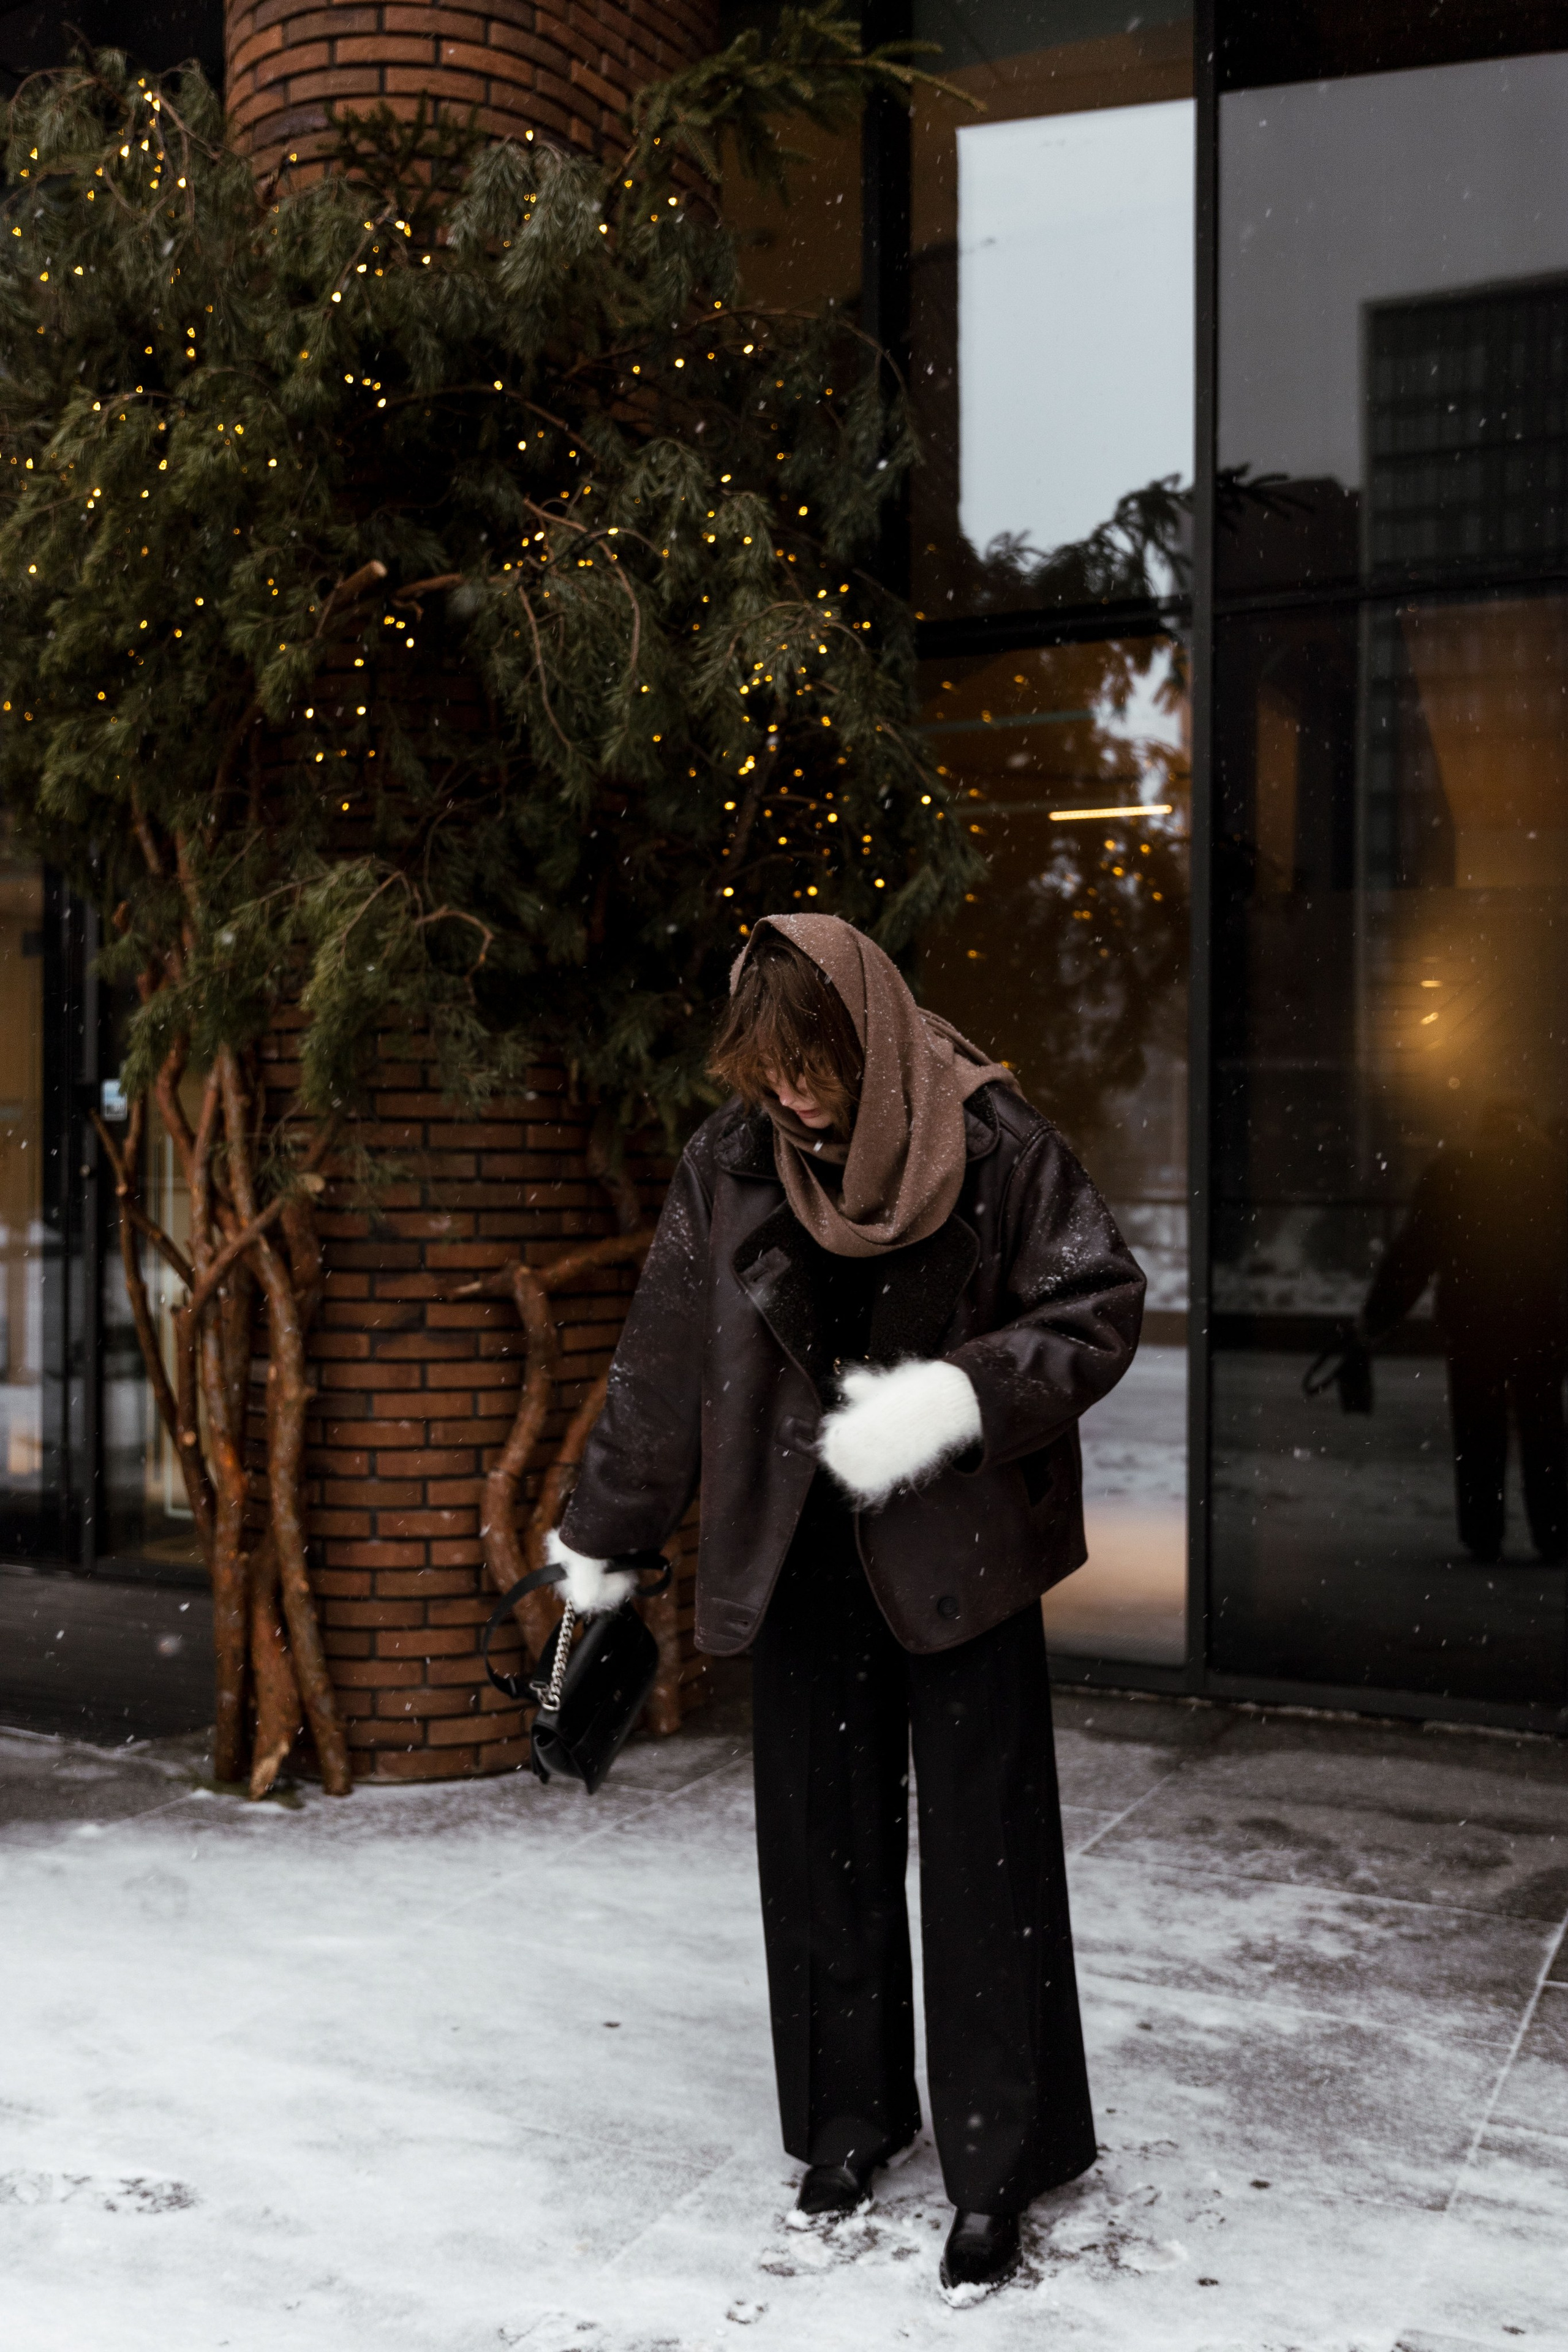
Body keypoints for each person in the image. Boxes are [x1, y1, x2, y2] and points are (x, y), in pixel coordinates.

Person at [547, 914, 1144, 2298]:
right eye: (767, 1073)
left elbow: (1098, 1302)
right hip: (798, 1547)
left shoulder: (991, 1142)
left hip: (963, 1548)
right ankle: (845, 2120)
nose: (792, 1098)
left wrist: (953, 1401)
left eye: (809, 1065)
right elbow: (655, 1369)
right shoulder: (729, 1161)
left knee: (985, 1858)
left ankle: (996, 2165)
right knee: (819, 1848)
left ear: (867, 1036)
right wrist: (601, 1544)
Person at [1360, 1095, 1568, 1564]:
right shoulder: (1553, 1171)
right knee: (1545, 1431)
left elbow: (1415, 1253)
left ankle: (1483, 1534)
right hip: (1539, 1320)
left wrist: (1375, 1319)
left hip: (1475, 1323)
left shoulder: (1454, 1171)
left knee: (1478, 1433)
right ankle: (1553, 1532)